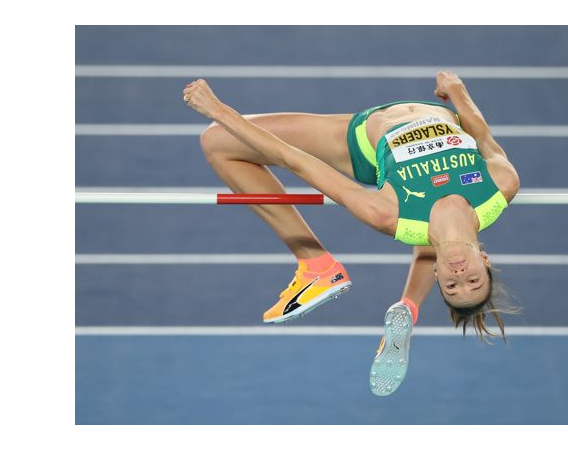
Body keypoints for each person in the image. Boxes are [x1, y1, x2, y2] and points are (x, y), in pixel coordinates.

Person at [185, 72, 520, 395]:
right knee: (438, 230)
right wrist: (458, 92)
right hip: (439, 116)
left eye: (451, 284)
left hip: (363, 137)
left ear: (438, 273)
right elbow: (483, 137)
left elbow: (294, 160)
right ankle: (408, 305)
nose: (460, 275)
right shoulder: (500, 187)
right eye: (473, 281)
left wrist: (219, 110)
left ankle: (316, 265)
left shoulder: (388, 213)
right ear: (484, 260)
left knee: (217, 139)